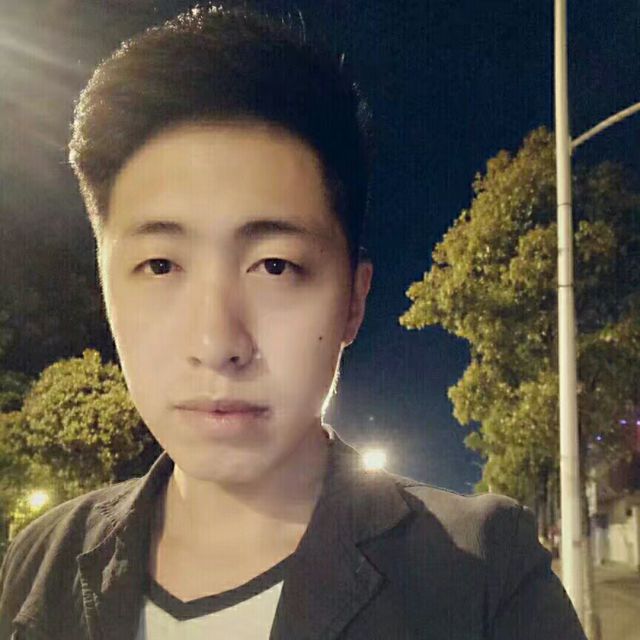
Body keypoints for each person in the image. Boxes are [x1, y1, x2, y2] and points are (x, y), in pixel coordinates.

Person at [0, 5, 586, 639]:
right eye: (161, 264)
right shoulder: (41, 565)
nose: (217, 343)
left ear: (353, 300)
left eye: (275, 266)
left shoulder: (479, 578)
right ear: (107, 288)